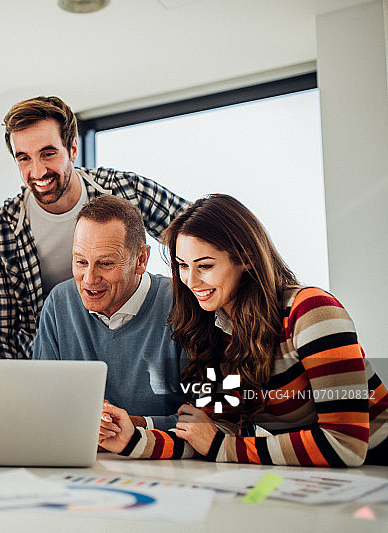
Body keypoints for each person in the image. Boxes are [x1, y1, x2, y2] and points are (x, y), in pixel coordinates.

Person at [99, 194, 388, 466]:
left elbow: (346, 444)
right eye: (183, 266)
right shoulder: (213, 330)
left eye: (205, 266)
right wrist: (130, 438)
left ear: (246, 258)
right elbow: (209, 433)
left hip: (377, 464)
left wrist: (223, 446)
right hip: (322, 477)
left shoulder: (311, 311)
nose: (191, 281)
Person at [0, 95, 189, 359]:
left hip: (133, 351)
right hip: (52, 363)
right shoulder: (2, 232)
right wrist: (20, 383)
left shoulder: (125, 191)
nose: (38, 171)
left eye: (48, 154)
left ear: (73, 149)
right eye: (24, 159)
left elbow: (201, 233)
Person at [33, 196, 187, 430]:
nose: (89, 279)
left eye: (105, 264)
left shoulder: (183, 305)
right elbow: (42, 403)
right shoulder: (59, 303)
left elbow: (210, 420)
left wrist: (136, 426)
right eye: (81, 262)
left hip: (162, 451)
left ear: (141, 259)